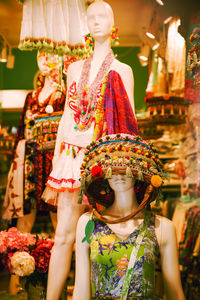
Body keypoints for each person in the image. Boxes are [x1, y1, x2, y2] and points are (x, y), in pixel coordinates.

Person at [42, 1, 138, 299]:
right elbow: (67, 118)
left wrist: (127, 169)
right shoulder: (72, 70)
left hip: (104, 161)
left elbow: (129, 124)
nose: (96, 22)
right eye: (91, 17)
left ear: (113, 24)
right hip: (71, 158)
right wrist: (58, 157)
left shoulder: (123, 70)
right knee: (62, 236)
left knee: (102, 235)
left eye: (102, 16)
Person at [73, 133, 185, 300]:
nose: (119, 175)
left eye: (126, 170)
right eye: (113, 170)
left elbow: (174, 292)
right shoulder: (88, 223)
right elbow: (81, 289)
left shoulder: (162, 227)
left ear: (138, 175)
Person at [2, 51, 66, 294]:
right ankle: (16, 278)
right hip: (29, 161)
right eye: (41, 56)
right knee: (23, 221)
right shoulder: (31, 96)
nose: (46, 60)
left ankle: (60, 279)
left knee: (59, 219)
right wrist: (14, 167)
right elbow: (21, 131)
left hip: (53, 161)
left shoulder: (63, 94)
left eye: (51, 56)